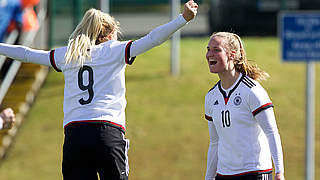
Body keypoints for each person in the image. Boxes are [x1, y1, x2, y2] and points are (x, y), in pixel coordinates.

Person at [0, 1, 198, 179]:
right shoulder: (115, 50)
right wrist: (183, 19)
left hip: (74, 135)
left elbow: (26, 54)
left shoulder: (67, 55)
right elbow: (153, 38)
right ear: (110, 33)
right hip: (107, 131)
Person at [204, 32, 285, 180]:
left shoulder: (252, 91)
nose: (210, 54)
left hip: (254, 172)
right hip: (224, 174)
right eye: (208, 49)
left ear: (231, 54)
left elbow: (271, 132)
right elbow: (215, 142)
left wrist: (279, 171)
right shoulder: (211, 97)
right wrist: (209, 177)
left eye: (216, 50)